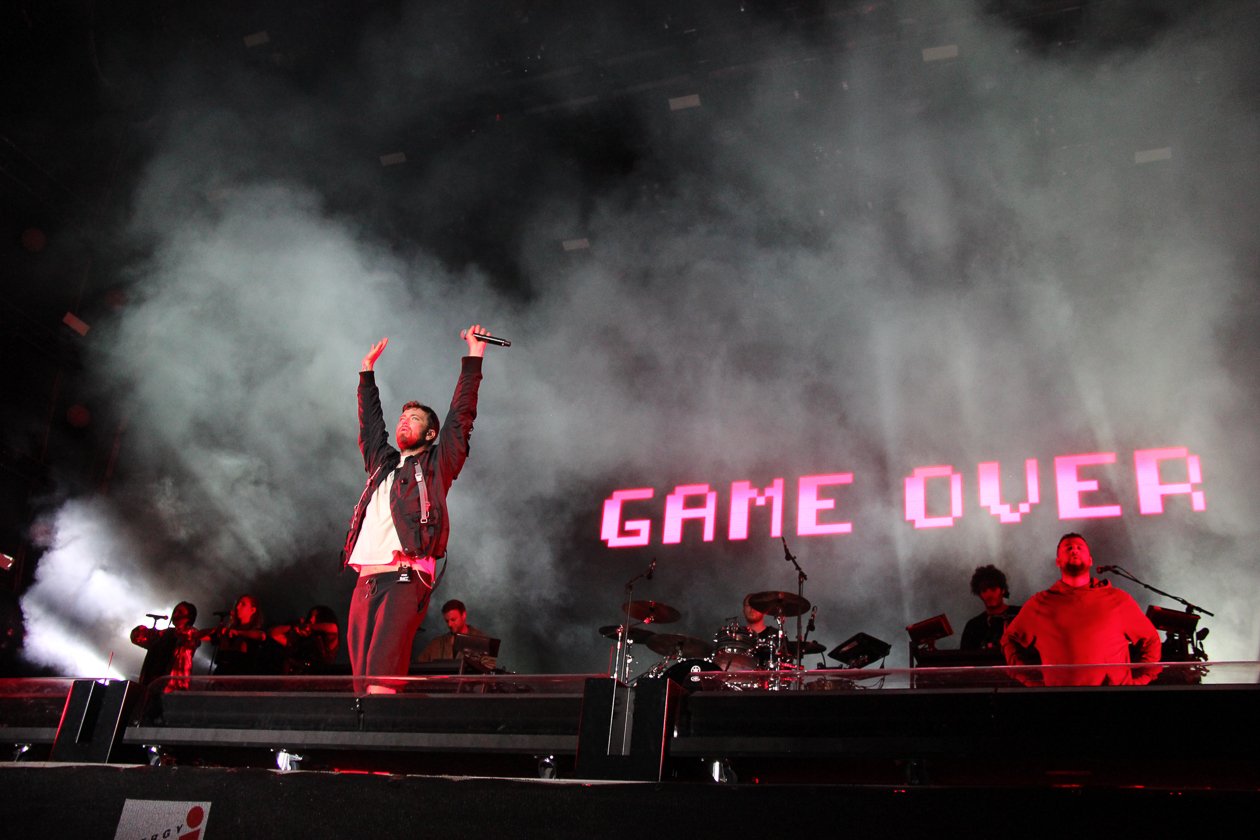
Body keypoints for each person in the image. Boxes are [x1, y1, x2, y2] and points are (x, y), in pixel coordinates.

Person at [340, 326, 489, 691]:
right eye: (403, 418)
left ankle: (380, 742)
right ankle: (360, 743)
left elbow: (461, 417)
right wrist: (367, 373)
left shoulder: (438, 465)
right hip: (365, 582)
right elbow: (370, 426)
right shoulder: (382, 464)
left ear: (430, 435)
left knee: (381, 680)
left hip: (404, 577)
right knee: (360, 684)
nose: (405, 421)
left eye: (416, 420)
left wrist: (474, 357)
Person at [1002, 533, 1161, 686]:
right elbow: (1009, 640)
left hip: (1112, 703)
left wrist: (1140, 680)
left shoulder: (1118, 599)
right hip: (1060, 703)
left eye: (1080, 547)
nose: (1074, 550)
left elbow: (1151, 640)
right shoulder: (1041, 603)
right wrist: (1029, 680)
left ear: (1090, 560)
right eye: (1068, 548)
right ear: (1058, 561)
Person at [130, 601, 201, 691]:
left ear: (189, 618)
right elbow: (137, 639)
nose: (175, 614)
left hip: (173, 685)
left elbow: (193, 639)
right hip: (151, 683)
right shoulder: (165, 633)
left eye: (180, 612)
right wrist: (142, 631)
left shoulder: (192, 633)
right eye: (175, 611)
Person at [959, 565, 1021, 651]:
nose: (989, 595)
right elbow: (964, 660)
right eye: (984, 590)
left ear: (1003, 590)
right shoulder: (973, 626)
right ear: (979, 594)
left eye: (993, 589)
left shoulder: (1020, 615)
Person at [415, 599, 491, 665]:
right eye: (447, 621)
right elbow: (418, 665)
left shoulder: (482, 640)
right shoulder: (436, 644)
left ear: (464, 615)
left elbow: (489, 672)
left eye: (453, 619)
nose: (449, 624)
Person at [207, 594, 268, 675]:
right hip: (221, 672)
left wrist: (238, 633)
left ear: (252, 610)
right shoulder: (230, 629)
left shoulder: (252, 632)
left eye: (243, 604)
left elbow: (262, 636)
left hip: (239, 676)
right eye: (238, 604)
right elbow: (209, 637)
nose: (237, 607)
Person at [271, 605, 340, 675]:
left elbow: (333, 628)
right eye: (310, 616)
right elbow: (273, 633)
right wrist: (294, 627)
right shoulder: (300, 637)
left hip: (319, 678)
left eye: (316, 616)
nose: (311, 619)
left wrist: (309, 627)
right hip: (295, 679)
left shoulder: (328, 639)